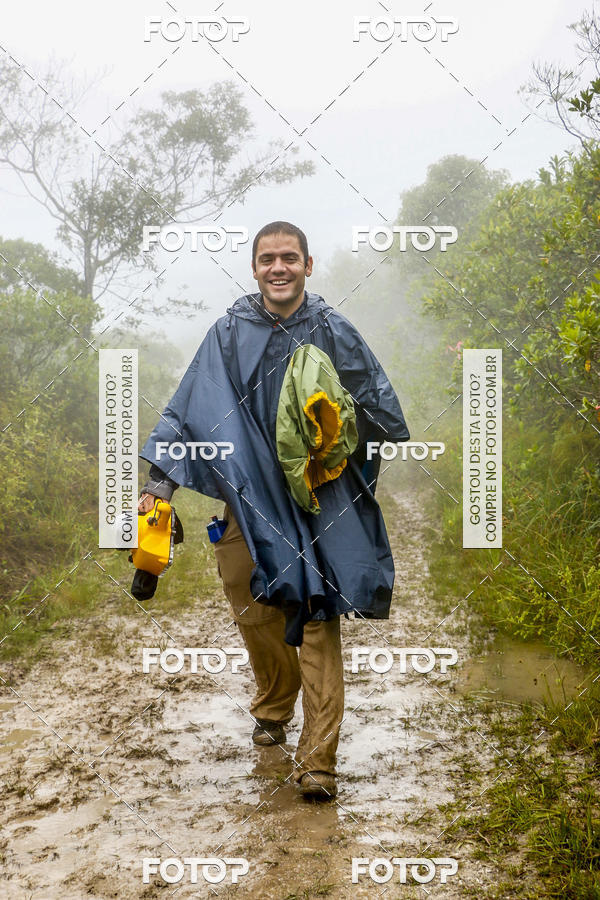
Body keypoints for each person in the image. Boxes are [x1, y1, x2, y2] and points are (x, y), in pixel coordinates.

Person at [138, 221, 409, 799]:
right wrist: (158, 489)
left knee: (315, 615)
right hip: (247, 496)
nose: (278, 267)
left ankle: (318, 761)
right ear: (255, 268)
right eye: (268, 259)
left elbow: (378, 410)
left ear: (308, 266)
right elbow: (187, 411)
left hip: (318, 500)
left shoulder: (335, 330)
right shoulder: (229, 333)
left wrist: (331, 440)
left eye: (290, 257)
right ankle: (274, 700)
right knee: (252, 599)